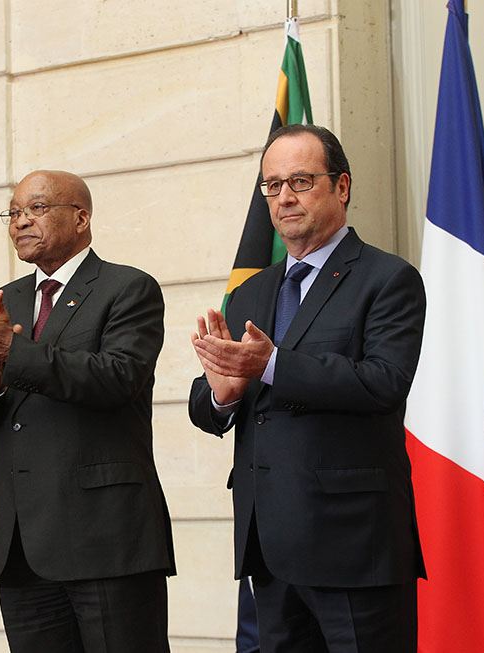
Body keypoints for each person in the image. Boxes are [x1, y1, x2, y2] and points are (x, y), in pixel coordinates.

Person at [188, 124, 426, 652]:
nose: (284, 197)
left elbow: (385, 382)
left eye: (300, 180)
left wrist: (272, 365)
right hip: (270, 545)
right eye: (272, 186)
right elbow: (210, 403)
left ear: (341, 186)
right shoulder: (251, 291)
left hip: (353, 547)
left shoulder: (388, 279)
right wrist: (222, 395)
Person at [0, 170, 175, 652]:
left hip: (106, 539)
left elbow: (117, 378)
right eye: (14, 212)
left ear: (81, 218)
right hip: (21, 546)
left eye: (37, 209)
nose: (21, 222)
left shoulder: (128, 289)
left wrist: (14, 355)